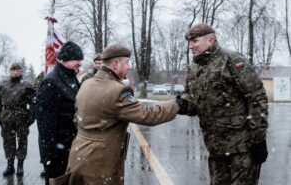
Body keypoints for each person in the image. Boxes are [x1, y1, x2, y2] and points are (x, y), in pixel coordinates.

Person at [50, 43, 188, 185]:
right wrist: (176, 105)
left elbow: (77, 118)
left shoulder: (86, 84)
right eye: (127, 62)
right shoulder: (118, 90)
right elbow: (148, 115)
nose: (129, 66)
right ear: (115, 64)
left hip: (78, 157)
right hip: (100, 164)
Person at [183, 23, 268, 185]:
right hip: (216, 149)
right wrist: (181, 104)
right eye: (189, 42)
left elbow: (256, 97)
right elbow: (193, 102)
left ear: (211, 40)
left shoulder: (232, 60)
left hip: (242, 149)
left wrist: (259, 139)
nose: (190, 46)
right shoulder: (194, 68)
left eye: (194, 41)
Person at [35, 41, 84, 185]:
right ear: (66, 60)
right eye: (77, 61)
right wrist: (50, 155)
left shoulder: (71, 77)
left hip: (70, 148)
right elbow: (44, 124)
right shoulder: (51, 82)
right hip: (57, 152)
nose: (80, 65)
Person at [0, 62, 35, 177]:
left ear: (21, 71)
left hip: (22, 117)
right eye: (13, 70)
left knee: (22, 142)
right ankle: (10, 165)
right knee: (8, 142)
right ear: (10, 71)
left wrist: (31, 117)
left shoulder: (27, 85)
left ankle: (20, 166)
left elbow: (33, 103)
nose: (15, 72)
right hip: (6, 118)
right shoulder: (3, 85)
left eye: (18, 70)